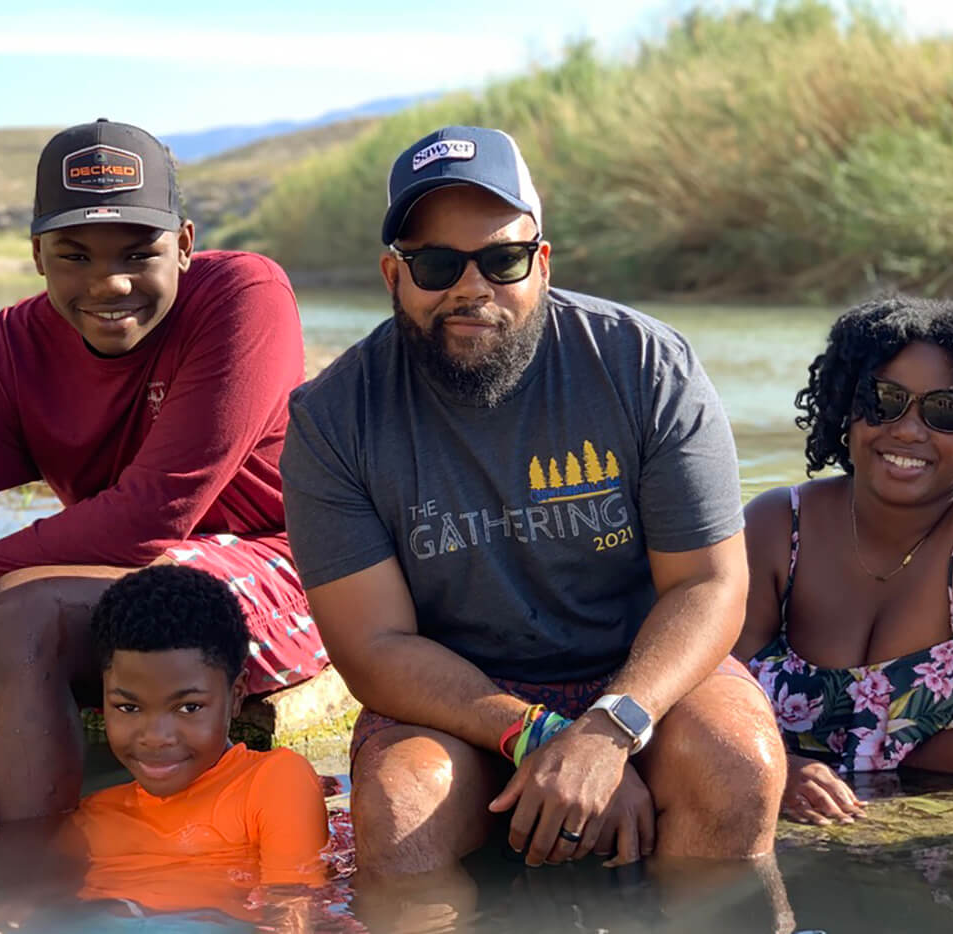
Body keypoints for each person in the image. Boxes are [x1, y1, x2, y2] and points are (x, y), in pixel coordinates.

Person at [0, 118, 326, 841]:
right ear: (37, 255)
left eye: (140, 252)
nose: (110, 283)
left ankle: (26, 893)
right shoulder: (9, 355)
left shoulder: (243, 298)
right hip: (107, 586)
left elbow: (144, 521)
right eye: (75, 254)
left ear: (187, 245)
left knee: (18, 614)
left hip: (279, 568)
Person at [280, 126, 786, 881]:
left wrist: (609, 730)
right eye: (437, 264)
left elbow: (710, 585)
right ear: (393, 274)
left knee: (738, 767)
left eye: (502, 259)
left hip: (642, 674)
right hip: (458, 699)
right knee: (397, 808)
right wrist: (539, 735)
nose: (470, 287)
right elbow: (374, 650)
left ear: (541, 263)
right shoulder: (332, 419)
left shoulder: (646, 365)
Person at [733, 296, 953, 826]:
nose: (909, 429)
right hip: (788, 830)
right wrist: (779, 769)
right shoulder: (777, 525)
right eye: (884, 399)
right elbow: (707, 692)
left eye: (944, 410)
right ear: (847, 404)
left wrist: (784, 764)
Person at [73, 564, 328, 921]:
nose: (156, 737)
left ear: (236, 696)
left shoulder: (271, 783)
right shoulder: (92, 818)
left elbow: (295, 910)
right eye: (128, 707)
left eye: (189, 707)